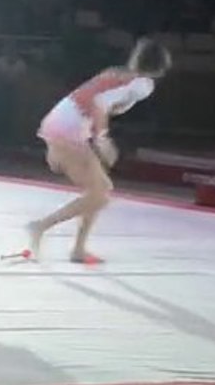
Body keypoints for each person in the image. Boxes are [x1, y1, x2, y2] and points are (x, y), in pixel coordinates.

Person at [28, 37, 172, 263]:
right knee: (99, 195)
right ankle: (41, 226)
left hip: (63, 118)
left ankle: (78, 248)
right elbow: (100, 103)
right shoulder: (142, 84)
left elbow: (96, 100)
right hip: (71, 125)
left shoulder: (116, 73)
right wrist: (103, 139)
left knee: (100, 190)